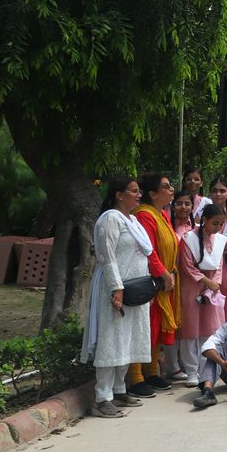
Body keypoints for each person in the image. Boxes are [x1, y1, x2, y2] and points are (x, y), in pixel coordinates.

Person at [83, 175, 155, 418]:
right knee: (112, 340)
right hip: (115, 289)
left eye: (139, 191)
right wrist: (117, 288)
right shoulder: (110, 219)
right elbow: (107, 257)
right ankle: (102, 398)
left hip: (135, 290)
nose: (139, 195)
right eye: (134, 191)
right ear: (119, 195)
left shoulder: (132, 220)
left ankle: (119, 389)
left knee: (129, 339)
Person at [127, 172, 178, 395]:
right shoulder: (144, 215)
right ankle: (136, 377)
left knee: (157, 327)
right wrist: (164, 275)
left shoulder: (162, 214)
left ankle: (151, 371)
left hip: (164, 280)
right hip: (150, 280)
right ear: (153, 194)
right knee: (145, 327)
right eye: (166, 186)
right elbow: (149, 250)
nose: (171, 189)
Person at [176, 204, 227, 388]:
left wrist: (214, 284)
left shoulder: (220, 240)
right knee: (191, 329)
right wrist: (207, 282)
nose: (218, 228)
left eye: (221, 224)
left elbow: (219, 265)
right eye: (215, 223)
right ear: (204, 220)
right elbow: (187, 266)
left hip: (212, 288)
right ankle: (192, 370)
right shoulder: (188, 238)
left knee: (210, 328)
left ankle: (206, 368)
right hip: (192, 286)